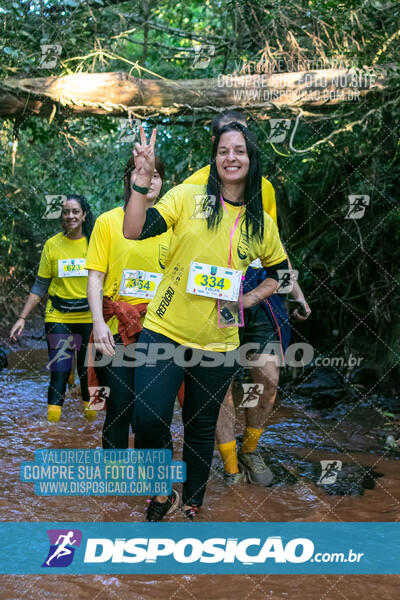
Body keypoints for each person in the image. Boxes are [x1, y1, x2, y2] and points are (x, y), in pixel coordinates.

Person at [123, 123, 291, 521]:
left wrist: (248, 298)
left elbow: (280, 274)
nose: (230, 158)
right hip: (164, 328)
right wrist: (142, 183)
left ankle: (193, 503)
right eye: (222, 151)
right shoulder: (189, 196)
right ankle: (162, 493)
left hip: (220, 340)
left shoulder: (260, 224)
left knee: (200, 428)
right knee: (147, 416)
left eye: (239, 151)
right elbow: (133, 230)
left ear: (252, 161)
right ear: (214, 159)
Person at [185, 109, 311, 486]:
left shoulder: (263, 187)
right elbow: (179, 245)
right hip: (216, 285)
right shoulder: (193, 187)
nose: (233, 153)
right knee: (220, 379)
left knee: (267, 374)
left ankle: (251, 449)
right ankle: (230, 465)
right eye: (226, 142)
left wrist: (295, 289)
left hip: (261, 286)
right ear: (215, 145)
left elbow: (273, 246)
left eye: (241, 143)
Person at [86, 156, 171, 450]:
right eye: (142, 174)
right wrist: (97, 323)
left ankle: (154, 486)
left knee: (154, 411)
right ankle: (116, 483)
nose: (150, 180)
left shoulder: (173, 226)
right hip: (115, 328)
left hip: (160, 329)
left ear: (162, 183)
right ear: (129, 180)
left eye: (156, 175)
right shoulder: (107, 222)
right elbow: (95, 278)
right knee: (120, 405)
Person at [10, 195, 95, 422]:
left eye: (75, 211)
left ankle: (93, 426)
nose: (70, 216)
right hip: (59, 316)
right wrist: (22, 317)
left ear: (84, 214)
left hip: (89, 316)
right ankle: (53, 430)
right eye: (66, 212)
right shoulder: (52, 244)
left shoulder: (95, 242)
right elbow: (40, 285)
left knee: (90, 376)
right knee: (60, 372)